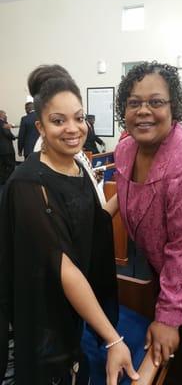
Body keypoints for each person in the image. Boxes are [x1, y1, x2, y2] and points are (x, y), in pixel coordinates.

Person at [0, 64, 139, 385]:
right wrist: (113, 339)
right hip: (45, 306)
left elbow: (96, 221)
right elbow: (61, 266)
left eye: (79, 118)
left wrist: (128, 183)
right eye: (58, 121)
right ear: (40, 126)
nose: (73, 128)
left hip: (74, 300)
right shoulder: (29, 184)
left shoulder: (77, 165)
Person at [114, 61, 182, 384]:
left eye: (156, 102)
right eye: (134, 102)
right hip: (163, 273)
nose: (144, 110)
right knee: (179, 359)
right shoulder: (124, 151)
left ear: (173, 107)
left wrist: (168, 317)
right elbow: (126, 196)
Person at [0, 110, 16, 186]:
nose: (6, 116)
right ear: (2, 115)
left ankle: (2, 181)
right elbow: (7, 134)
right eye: (5, 114)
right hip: (7, 149)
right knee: (11, 165)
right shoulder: (4, 124)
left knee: (2, 166)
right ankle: (9, 181)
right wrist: (14, 137)